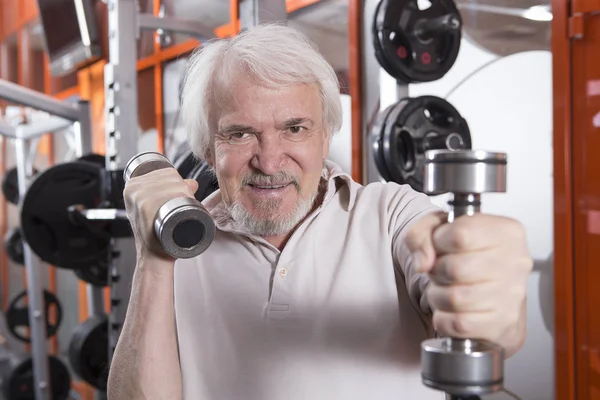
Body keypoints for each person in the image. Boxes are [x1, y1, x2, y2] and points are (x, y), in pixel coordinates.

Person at [109, 23, 533, 400]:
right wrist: (154, 258)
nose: (270, 161)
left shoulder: (391, 214)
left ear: (326, 135)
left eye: (295, 128)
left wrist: (489, 306)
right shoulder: (177, 247)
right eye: (240, 134)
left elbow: (486, 323)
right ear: (206, 149)